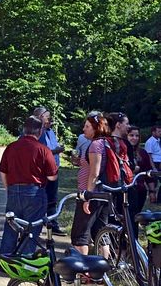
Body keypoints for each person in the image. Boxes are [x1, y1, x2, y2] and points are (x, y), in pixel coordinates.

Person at [0, 116, 58, 254]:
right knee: (32, 228)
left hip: (13, 190)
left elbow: (2, 170)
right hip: (34, 192)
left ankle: (5, 258)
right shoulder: (43, 150)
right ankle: (24, 260)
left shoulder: (11, 147)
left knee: (11, 226)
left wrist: (8, 187)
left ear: (24, 130)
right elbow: (52, 176)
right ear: (40, 131)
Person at [71, 112, 112, 254]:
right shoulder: (107, 143)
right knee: (101, 232)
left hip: (91, 194)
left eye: (87, 126)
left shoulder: (95, 145)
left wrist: (87, 196)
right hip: (104, 193)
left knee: (80, 235)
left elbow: (94, 173)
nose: (84, 129)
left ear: (96, 128)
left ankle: (84, 272)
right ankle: (102, 271)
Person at [34, 107, 66, 236]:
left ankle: (53, 225)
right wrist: (55, 151)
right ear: (40, 117)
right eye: (47, 116)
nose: (50, 119)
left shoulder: (50, 131)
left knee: (52, 199)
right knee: (40, 199)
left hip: (53, 170)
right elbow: (41, 152)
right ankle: (36, 226)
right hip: (41, 172)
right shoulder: (36, 132)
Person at [128, 125, 154, 235]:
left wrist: (152, 191)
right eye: (131, 135)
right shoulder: (121, 152)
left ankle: (134, 245)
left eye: (137, 136)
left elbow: (148, 173)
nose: (134, 138)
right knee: (125, 218)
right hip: (126, 189)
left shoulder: (142, 153)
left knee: (135, 217)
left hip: (140, 189)